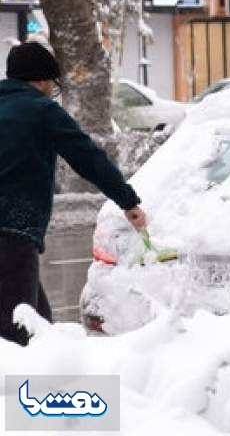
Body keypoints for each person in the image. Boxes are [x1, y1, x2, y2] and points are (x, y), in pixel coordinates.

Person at [0, 42, 146, 346]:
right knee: (19, 335)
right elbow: (88, 158)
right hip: (12, 231)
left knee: (40, 326)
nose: (52, 91)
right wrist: (128, 201)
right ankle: (30, 391)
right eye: (52, 85)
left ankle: (53, 388)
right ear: (40, 80)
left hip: (12, 235)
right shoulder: (42, 111)